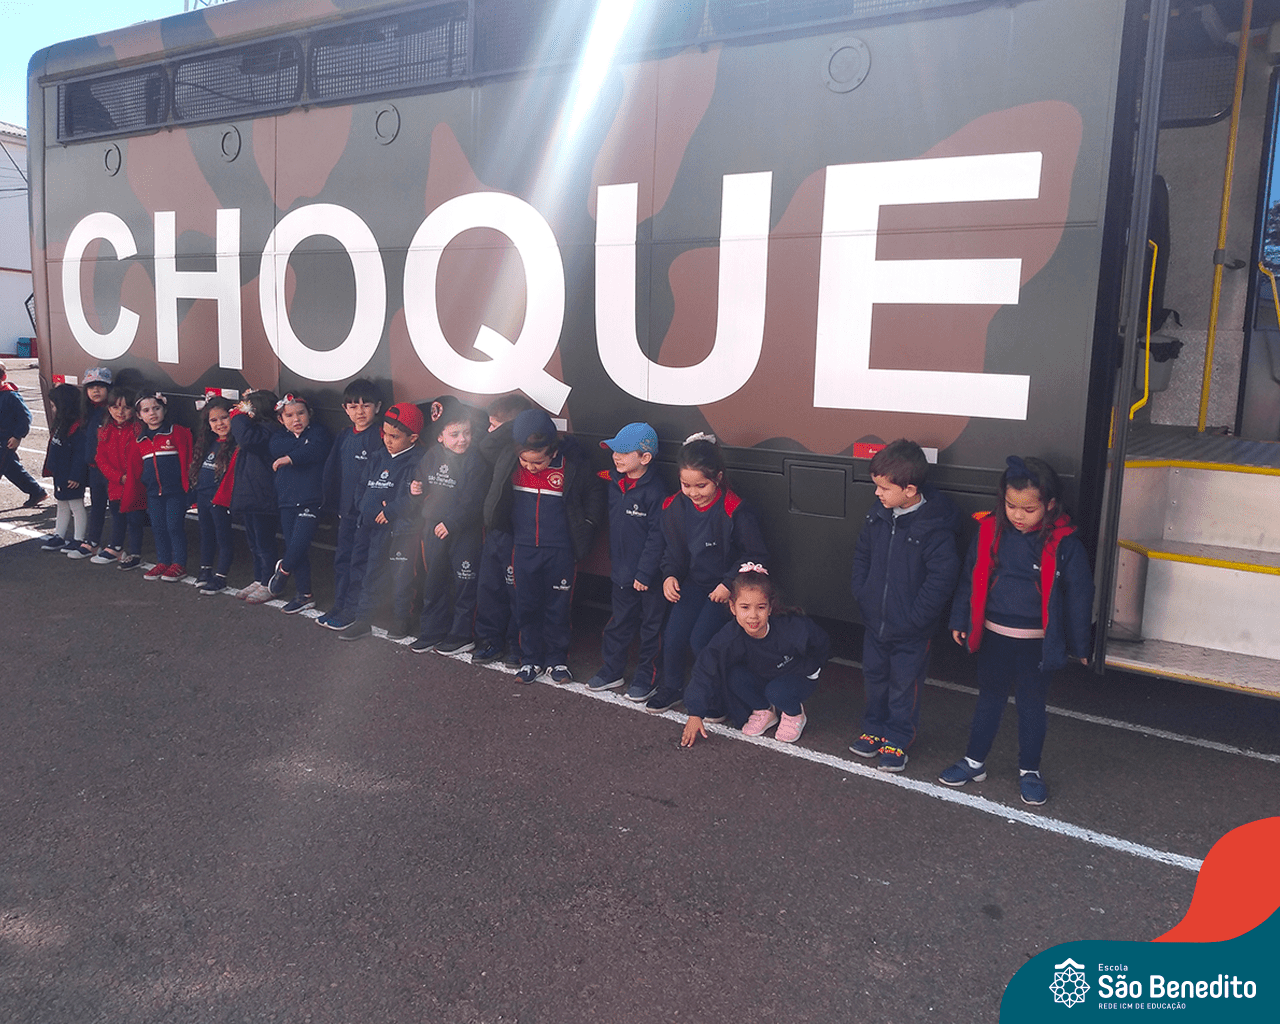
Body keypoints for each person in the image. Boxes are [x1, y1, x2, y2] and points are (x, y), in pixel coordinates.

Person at [938, 456, 1094, 806]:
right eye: (1011, 506)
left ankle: (1030, 771)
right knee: (988, 700)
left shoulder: (1065, 543)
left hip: (1035, 645)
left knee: (1032, 707)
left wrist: (1081, 645)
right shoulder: (989, 531)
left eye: (1028, 509)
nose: (1018, 515)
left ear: (1050, 505)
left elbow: (1079, 596)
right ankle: (974, 762)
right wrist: (960, 619)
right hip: (994, 637)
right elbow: (970, 578)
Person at [848, 439, 961, 773]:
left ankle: (897, 737)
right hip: (876, 622)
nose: (877, 493)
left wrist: (916, 618)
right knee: (874, 678)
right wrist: (862, 592)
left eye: (884, 488)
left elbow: (941, 578)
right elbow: (862, 554)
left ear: (910, 490)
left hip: (911, 630)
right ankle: (873, 728)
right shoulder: (878, 515)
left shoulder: (934, 527)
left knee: (903, 686)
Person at [646, 433, 768, 713]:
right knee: (673, 636)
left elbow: (756, 555)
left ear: (718, 478)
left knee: (701, 640)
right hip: (694, 584)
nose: (693, 493)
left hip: (728, 590)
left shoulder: (735, 509)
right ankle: (672, 688)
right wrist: (669, 575)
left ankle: (715, 697)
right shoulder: (674, 506)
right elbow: (673, 551)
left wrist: (729, 584)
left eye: (701, 485)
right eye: (686, 485)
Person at [482, 407, 605, 683]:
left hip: (560, 551)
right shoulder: (509, 462)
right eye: (525, 461)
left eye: (538, 462)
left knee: (557, 609)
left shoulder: (572, 466)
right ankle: (530, 660)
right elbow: (486, 445)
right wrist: (518, 426)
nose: (531, 467)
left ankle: (557, 660)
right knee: (526, 607)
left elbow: (595, 492)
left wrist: (589, 524)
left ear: (553, 451)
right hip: (522, 549)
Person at [681, 565, 829, 747]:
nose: (753, 616)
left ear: (769, 608)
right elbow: (706, 666)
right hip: (766, 675)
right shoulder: (730, 635)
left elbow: (820, 641)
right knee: (734, 675)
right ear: (733, 607)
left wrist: (814, 667)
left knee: (777, 691)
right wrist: (695, 713)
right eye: (745, 607)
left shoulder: (789, 628)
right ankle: (765, 710)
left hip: (796, 676)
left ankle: (794, 713)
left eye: (760, 607)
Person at [586, 422, 668, 701]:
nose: (616, 457)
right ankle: (612, 670)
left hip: (649, 578)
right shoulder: (615, 482)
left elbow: (658, 537)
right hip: (621, 572)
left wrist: (645, 573)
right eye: (614, 451)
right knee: (618, 623)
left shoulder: (656, 491)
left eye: (623, 452)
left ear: (645, 458)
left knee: (651, 629)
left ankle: (647, 678)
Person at [407, 397, 489, 653]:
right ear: (440, 436)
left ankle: (463, 634)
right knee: (434, 581)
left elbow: (474, 500)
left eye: (467, 433)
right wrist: (415, 490)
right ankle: (432, 631)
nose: (462, 439)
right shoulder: (431, 456)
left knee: (465, 583)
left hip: (465, 532)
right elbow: (421, 483)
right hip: (433, 530)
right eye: (454, 434)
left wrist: (452, 522)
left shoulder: (476, 461)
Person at [337, 402, 424, 641]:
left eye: (395, 436)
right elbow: (362, 486)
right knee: (368, 572)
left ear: (413, 437)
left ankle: (401, 620)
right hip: (369, 526)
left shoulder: (419, 460)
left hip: (400, 531)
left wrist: (391, 510)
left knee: (401, 576)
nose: (388, 440)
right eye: (385, 434)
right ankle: (363, 619)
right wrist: (364, 506)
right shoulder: (377, 456)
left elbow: (417, 496)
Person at [470, 393, 533, 666]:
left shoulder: (522, 448)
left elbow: (489, 443)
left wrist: (510, 427)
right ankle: (490, 640)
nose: (489, 431)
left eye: (494, 425)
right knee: (489, 589)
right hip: (496, 529)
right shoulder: (498, 448)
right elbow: (487, 445)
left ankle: (517, 644)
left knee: (517, 591)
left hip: (520, 533)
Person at [318, 378, 384, 630]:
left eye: (366, 406)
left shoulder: (379, 436)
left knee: (360, 563)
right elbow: (333, 472)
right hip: (345, 513)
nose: (360, 412)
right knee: (342, 560)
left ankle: (353, 610)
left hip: (367, 516)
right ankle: (340, 604)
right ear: (345, 409)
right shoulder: (345, 435)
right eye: (354, 407)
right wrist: (333, 506)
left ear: (377, 407)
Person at [267, 393, 333, 613]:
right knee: (296, 548)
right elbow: (276, 449)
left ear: (309, 414)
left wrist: (289, 458)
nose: (296, 419)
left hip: (311, 500)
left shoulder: (319, 432)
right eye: (289, 415)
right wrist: (301, 448)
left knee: (299, 543)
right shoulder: (278, 437)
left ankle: (284, 570)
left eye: (301, 413)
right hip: (286, 500)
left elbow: (317, 449)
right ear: (281, 419)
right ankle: (304, 595)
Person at [229, 390, 281, 603]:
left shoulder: (270, 429)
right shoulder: (258, 428)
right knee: (253, 541)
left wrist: (237, 415)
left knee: (264, 541)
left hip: (263, 495)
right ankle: (259, 578)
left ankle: (269, 583)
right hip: (251, 494)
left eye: (247, 406)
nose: (243, 410)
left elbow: (246, 438)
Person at [134, 392, 193, 581]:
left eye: (156, 408)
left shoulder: (175, 431)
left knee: (174, 527)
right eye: (146, 410)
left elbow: (187, 458)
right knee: (158, 527)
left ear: (164, 410)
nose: (152, 413)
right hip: (153, 493)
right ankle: (163, 562)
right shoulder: (140, 439)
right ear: (139, 415)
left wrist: (188, 486)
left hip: (175, 491)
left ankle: (179, 564)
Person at [93, 385, 147, 570]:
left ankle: (135, 553)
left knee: (135, 519)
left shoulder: (138, 429)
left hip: (135, 484)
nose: (120, 412)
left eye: (126, 407)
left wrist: (131, 478)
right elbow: (100, 458)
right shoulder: (105, 429)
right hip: (116, 484)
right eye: (115, 407)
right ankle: (116, 547)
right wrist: (117, 477)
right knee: (117, 516)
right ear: (108, 408)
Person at [189, 396, 237, 594]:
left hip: (221, 500)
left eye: (224, 418)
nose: (220, 424)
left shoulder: (236, 445)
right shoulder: (208, 444)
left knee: (223, 537)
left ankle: (221, 576)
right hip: (203, 497)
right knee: (206, 534)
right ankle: (205, 569)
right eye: (214, 420)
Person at [40, 382, 89, 554]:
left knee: (76, 505)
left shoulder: (77, 428)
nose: (53, 409)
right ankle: (59, 535)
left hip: (70, 475)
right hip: (60, 473)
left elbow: (80, 455)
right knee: (61, 504)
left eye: (54, 406)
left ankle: (79, 539)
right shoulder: (61, 425)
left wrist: (76, 476)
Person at [69, 366, 112, 558]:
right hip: (95, 469)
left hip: (112, 470)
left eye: (100, 386)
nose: (95, 390)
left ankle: (117, 545)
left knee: (118, 509)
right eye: (91, 387)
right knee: (97, 506)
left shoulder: (113, 412)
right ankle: (93, 542)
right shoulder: (87, 413)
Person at [0, 361, 46, 507]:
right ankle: (37, 492)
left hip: (6, 439)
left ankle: (37, 491)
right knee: (11, 468)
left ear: (3, 377)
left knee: (5, 465)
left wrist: (17, 436)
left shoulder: (10, 395)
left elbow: (25, 417)